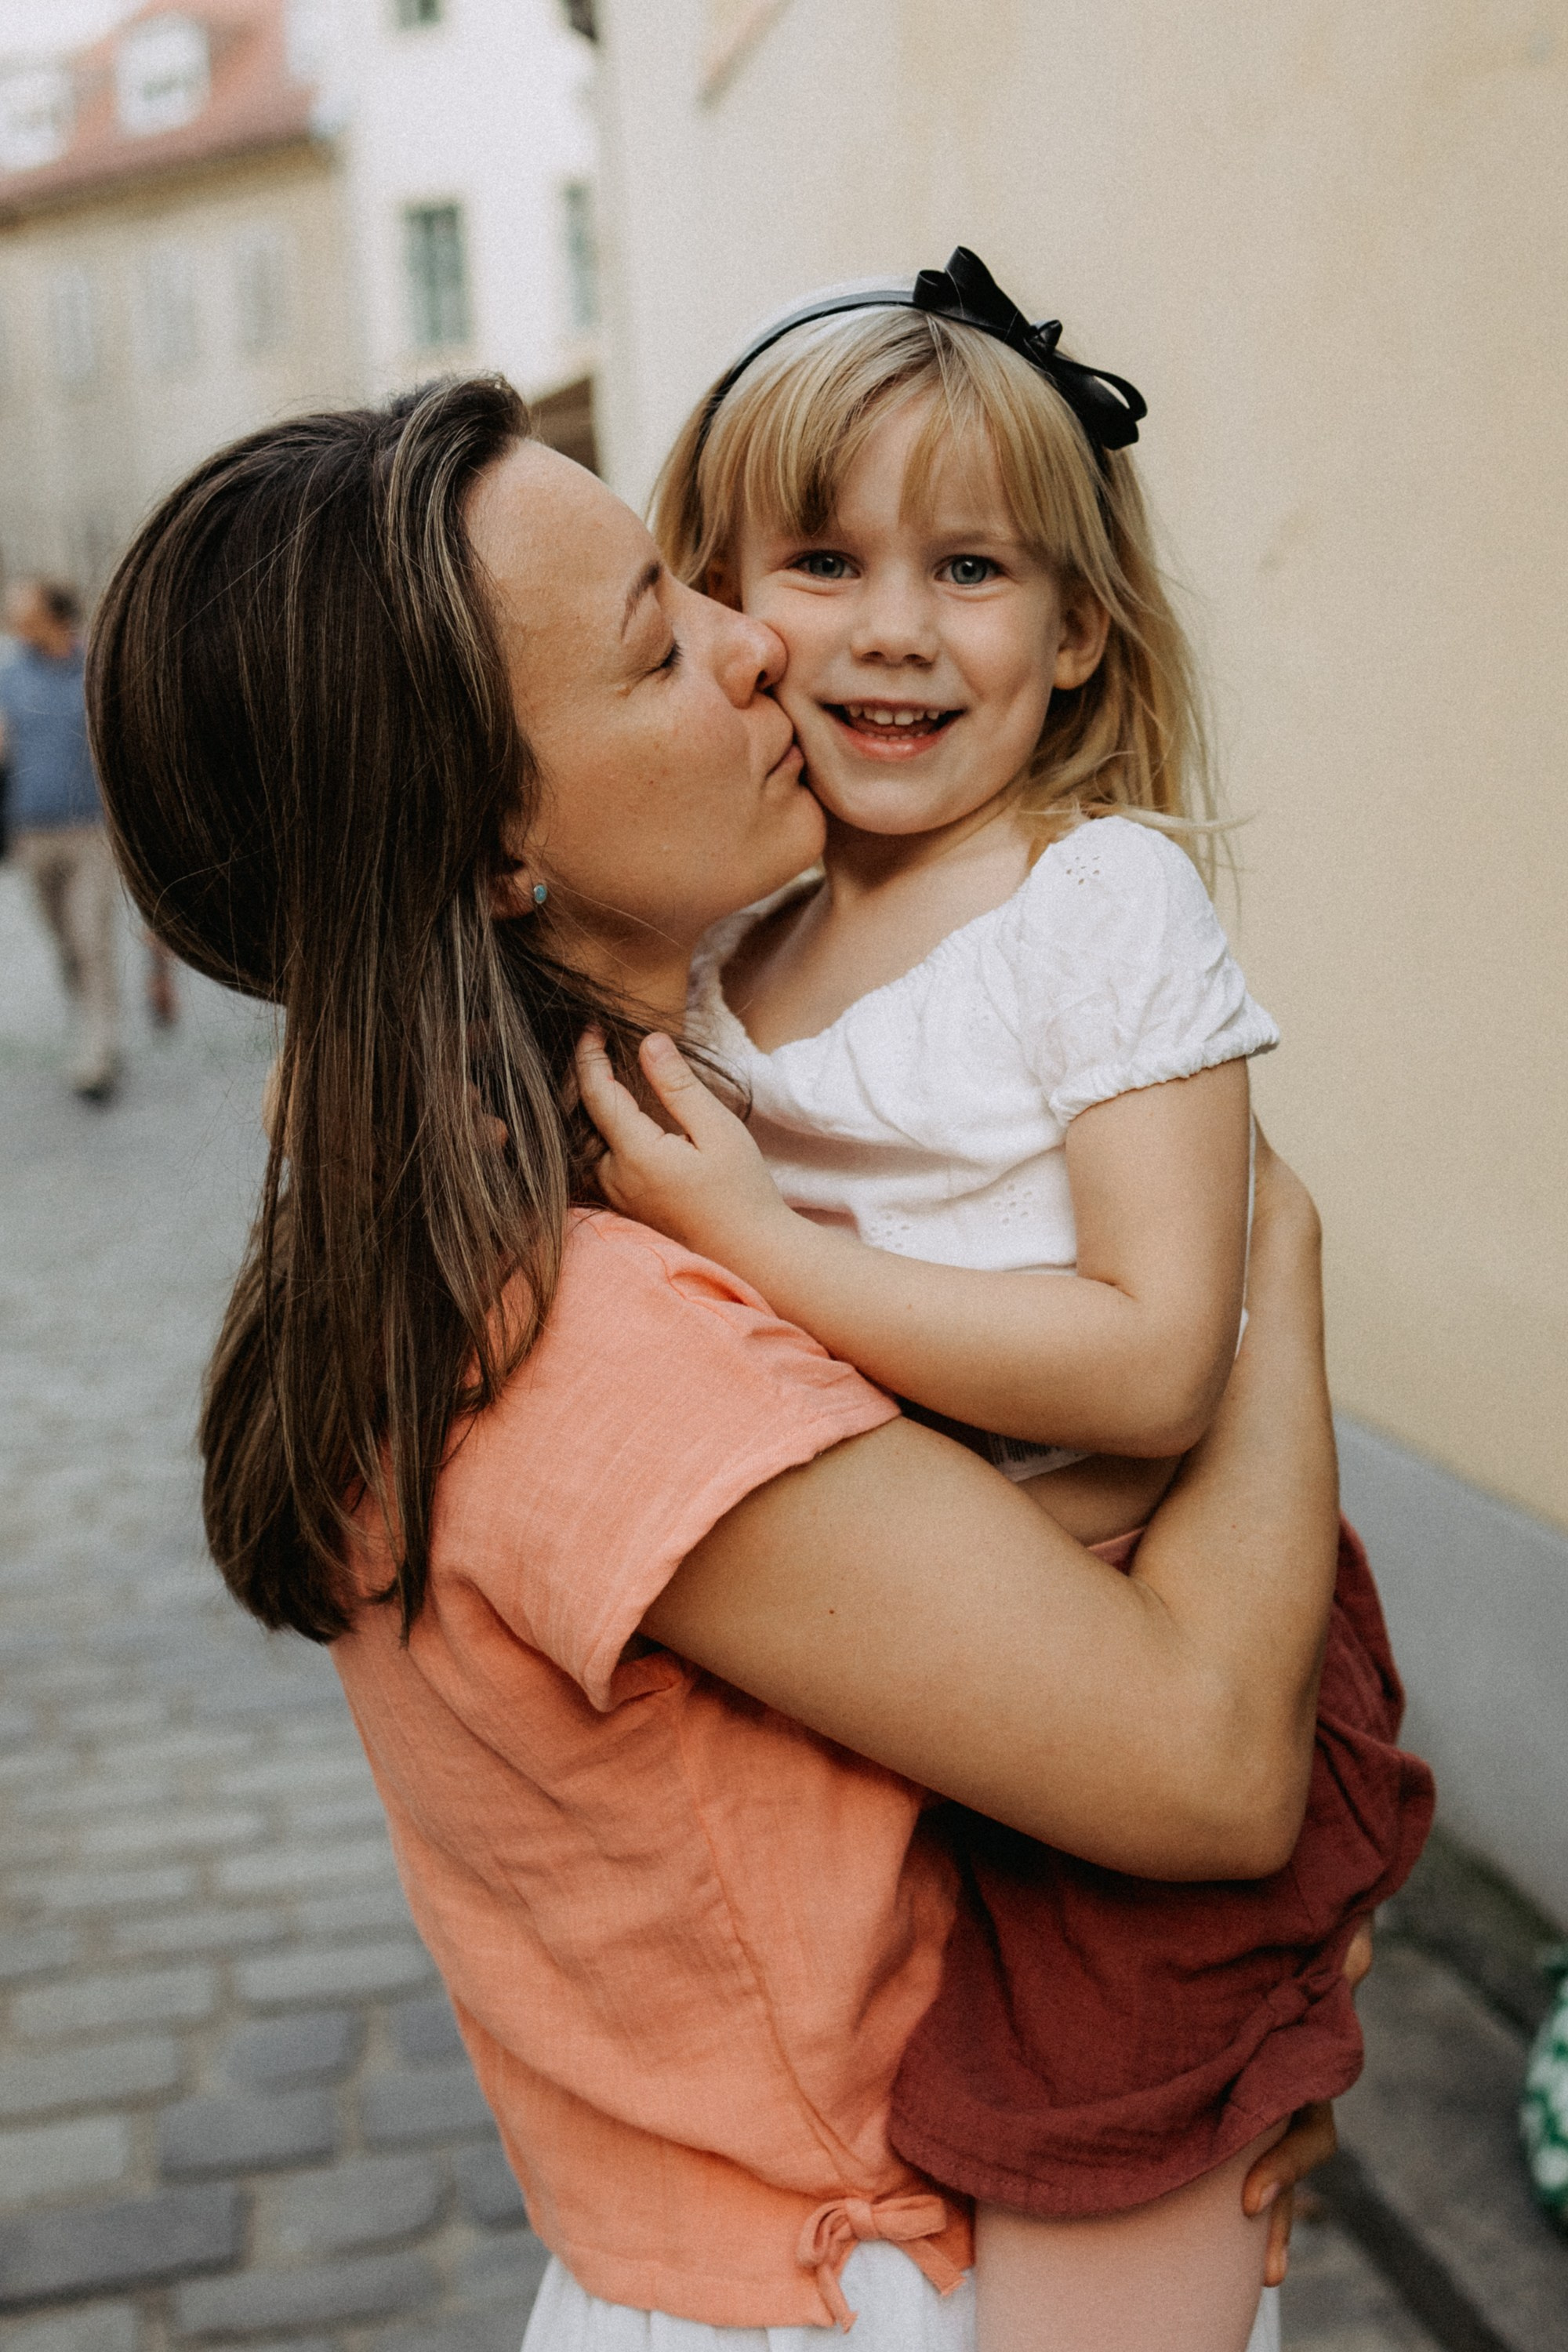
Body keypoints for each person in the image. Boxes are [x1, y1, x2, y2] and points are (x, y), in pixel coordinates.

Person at [89, 378, 1359, 2351]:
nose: (758, 634)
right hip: (881, 2285)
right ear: (496, 840)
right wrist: (1270, 1259)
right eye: (656, 642)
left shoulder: (534, 1194)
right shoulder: (596, 1338)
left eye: (692, 578)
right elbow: (1199, 1767)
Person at [568, 249, 1435, 2352]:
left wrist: (776, 1253)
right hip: (962, 1693)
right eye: (822, 557)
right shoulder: (739, 944)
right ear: (715, 606)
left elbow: (1155, 1357)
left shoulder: (1096, 902)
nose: (888, 626)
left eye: (970, 568)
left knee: (1096, 2213)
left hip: (1161, 1632)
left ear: (1078, 641)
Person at [0, 578, 120, 1101]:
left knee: (90, 940)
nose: (9, 608)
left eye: (19, 600)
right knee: (65, 944)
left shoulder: (96, 667)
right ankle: (90, 1025)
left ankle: (98, 1050)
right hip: (31, 834)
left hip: (90, 833)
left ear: (50, 612)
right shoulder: (8, 676)